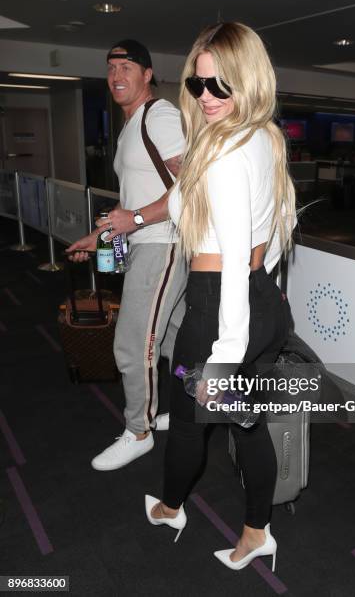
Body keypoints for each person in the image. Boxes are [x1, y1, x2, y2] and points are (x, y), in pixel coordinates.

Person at [143, 22, 296, 571]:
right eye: (197, 85)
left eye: (219, 86)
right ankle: (258, 531)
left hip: (217, 311)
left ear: (246, 81)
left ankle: (170, 508)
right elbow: (277, 229)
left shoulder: (229, 151)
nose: (206, 97)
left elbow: (232, 257)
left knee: (188, 422)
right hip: (256, 302)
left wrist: (224, 356)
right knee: (245, 423)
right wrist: (262, 293)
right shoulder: (262, 139)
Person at [66, 40, 187, 471]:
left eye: (127, 66)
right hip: (145, 241)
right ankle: (202, 404)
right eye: (111, 67)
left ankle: (139, 431)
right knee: (177, 340)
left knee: (133, 343)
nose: (117, 75)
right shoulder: (130, 126)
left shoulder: (161, 116)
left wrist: (135, 220)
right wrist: (94, 236)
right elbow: (131, 202)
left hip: (164, 243)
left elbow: (191, 185)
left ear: (147, 74)